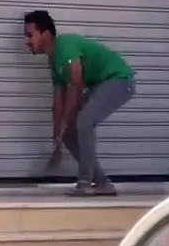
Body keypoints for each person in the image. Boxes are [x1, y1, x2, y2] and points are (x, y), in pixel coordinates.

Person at [24, 10, 135, 196]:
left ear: (46, 34)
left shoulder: (64, 45)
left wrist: (66, 119)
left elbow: (76, 82)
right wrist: (58, 137)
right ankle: (102, 183)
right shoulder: (54, 62)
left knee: (84, 120)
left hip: (119, 80)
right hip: (100, 85)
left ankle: (84, 182)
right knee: (69, 132)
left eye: (30, 35)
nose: (27, 41)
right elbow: (58, 102)